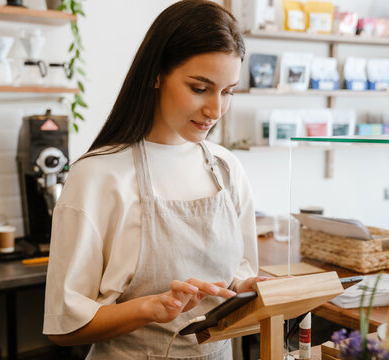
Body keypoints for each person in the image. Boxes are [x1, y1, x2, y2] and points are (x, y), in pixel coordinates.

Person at [43, 1, 268, 358]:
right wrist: (149, 309)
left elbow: (237, 272)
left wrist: (245, 286)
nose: (215, 110)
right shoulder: (98, 176)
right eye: (199, 88)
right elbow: (64, 326)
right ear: (157, 74)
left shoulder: (226, 169)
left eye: (227, 92)